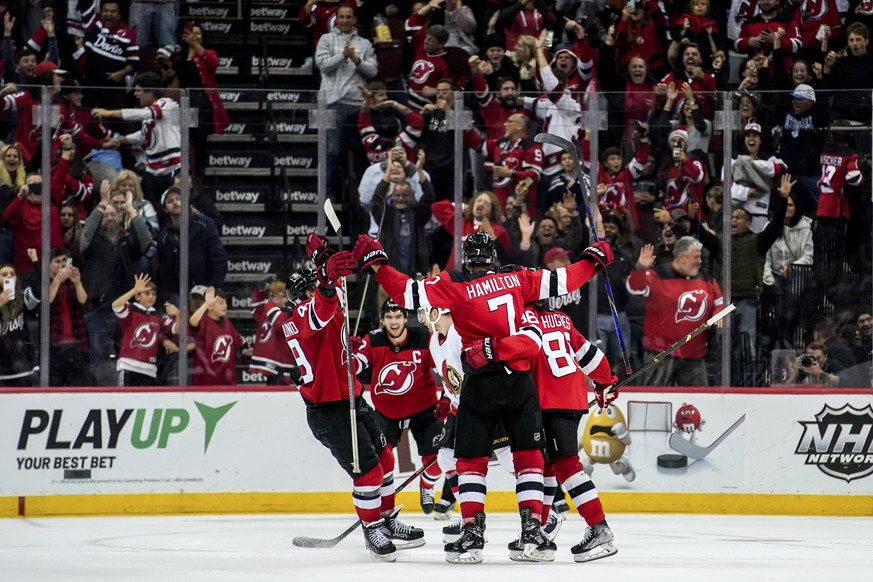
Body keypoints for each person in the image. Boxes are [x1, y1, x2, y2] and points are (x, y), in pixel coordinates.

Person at [353, 231, 614, 563]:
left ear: (466, 258)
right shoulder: (519, 279)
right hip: (520, 384)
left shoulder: (454, 284)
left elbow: (407, 291)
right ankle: (533, 531)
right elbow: (564, 279)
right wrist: (592, 260)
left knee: (471, 462)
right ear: (493, 258)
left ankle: (473, 534)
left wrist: (377, 264)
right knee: (528, 459)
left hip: (480, 383)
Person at [281, 237, 424, 561]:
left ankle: (386, 521)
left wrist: (322, 256)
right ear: (307, 292)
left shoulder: (309, 310)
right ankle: (371, 529)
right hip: (330, 410)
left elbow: (330, 310)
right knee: (369, 473)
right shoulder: (306, 311)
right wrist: (326, 282)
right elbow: (320, 309)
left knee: (386, 460)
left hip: (351, 400)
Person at [527, 299, 619, 562]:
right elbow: (591, 355)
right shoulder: (562, 319)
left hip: (549, 402)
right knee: (547, 466)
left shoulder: (522, 319)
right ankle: (541, 530)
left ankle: (599, 527)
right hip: (571, 399)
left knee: (567, 466)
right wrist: (605, 383)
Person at [355, 299, 444, 514]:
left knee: (437, 461)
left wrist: (449, 398)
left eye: (398, 317)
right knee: (383, 461)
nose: (393, 322)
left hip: (424, 409)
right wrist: (347, 359)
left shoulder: (424, 338)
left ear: (405, 318)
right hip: (387, 413)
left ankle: (427, 485)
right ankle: (385, 507)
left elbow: (444, 366)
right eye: (388, 317)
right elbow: (358, 363)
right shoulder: (374, 339)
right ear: (382, 320)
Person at [627, 236, 724, 386]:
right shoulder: (657, 275)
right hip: (660, 354)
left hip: (694, 355)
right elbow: (635, 288)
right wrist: (640, 268)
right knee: (654, 400)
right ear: (683, 258)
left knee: (697, 402)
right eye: (696, 257)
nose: (700, 261)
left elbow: (719, 302)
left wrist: (718, 314)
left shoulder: (707, 279)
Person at [92, 71, 182, 210]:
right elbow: (143, 135)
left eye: (139, 91)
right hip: (152, 169)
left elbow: (143, 114)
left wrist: (109, 113)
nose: (135, 94)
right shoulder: (150, 112)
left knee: (172, 208)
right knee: (153, 209)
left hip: (171, 168)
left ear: (150, 92)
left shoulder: (167, 105)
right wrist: (119, 141)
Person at [315, 4, 377, 196]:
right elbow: (323, 65)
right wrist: (343, 55)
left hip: (357, 105)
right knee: (329, 152)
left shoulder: (365, 44)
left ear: (354, 20)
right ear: (336, 19)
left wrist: (356, 59)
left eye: (348, 17)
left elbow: (373, 71)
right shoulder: (326, 39)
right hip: (330, 105)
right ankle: (326, 197)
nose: (345, 21)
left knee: (361, 151)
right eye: (341, 17)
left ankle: (362, 195)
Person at [154, 187, 228, 305]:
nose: (175, 202)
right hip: (179, 294)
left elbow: (220, 259)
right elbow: (164, 274)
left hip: (208, 287)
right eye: (170, 201)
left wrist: (212, 286)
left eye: (179, 199)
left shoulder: (205, 224)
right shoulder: (164, 237)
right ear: (165, 209)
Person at [73, 1, 140, 111]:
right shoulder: (93, 24)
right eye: (106, 11)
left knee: (116, 122)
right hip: (91, 84)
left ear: (119, 15)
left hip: (114, 86)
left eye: (113, 12)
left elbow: (133, 63)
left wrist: (121, 73)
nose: (109, 14)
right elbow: (84, 4)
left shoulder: (129, 34)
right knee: (89, 119)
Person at [189, 286, 251, 386]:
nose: (225, 306)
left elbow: (239, 340)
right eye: (221, 303)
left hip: (226, 379)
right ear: (210, 307)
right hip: (206, 381)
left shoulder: (227, 322)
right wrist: (206, 304)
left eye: (225, 303)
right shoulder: (204, 321)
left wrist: (245, 350)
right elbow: (193, 321)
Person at [47, 248, 91, 386]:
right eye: (57, 261)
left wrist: (77, 283)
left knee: (80, 389)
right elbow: (45, 303)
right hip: (54, 346)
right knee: (54, 390)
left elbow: (85, 305)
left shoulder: (73, 283)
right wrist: (58, 279)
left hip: (78, 344)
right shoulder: (44, 283)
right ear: (49, 265)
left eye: (64, 261)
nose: (61, 265)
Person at [112, 273, 165, 386]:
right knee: (126, 402)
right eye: (147, 293)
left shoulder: (158, 315)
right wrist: (134, 290)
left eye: (153, 294)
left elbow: (174, 329)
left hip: (149, 370)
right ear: (137, 296)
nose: (151, 296)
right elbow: (116, 305)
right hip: (129, 366)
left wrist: (179, 314)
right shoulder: (132, 310)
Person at [0, 250, 40, 386]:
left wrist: (35, 262)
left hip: (23, 364)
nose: (9, 277)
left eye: (12, 274)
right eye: (4, 275)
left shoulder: (23, 297)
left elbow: (39, 291)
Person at [249, 280, 296, 385]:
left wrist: (269, 301)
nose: (285, 299)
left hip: (281, 360)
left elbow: (279, 324)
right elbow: (255, 307)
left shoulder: (286, 312)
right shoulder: (268, 310)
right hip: (274, 360)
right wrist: (261, 292)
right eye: (282, 296)